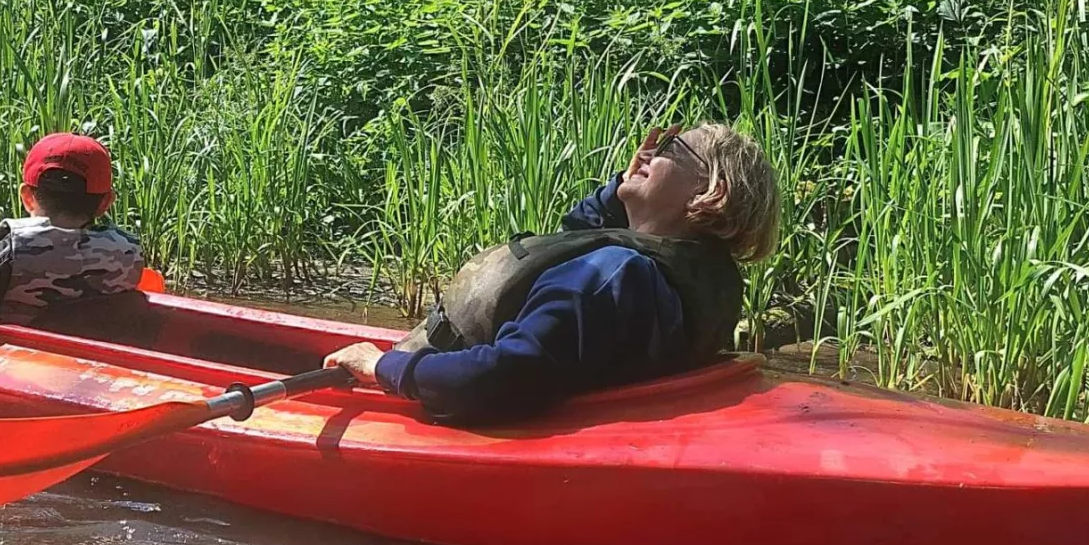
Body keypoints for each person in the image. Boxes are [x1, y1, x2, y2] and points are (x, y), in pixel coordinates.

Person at [324, 121, 780, 424]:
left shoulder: (609, 276)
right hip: (483, 383)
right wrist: (621, 192)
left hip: (453, 394)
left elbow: (503, 379)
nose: (646, 152)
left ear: (710, 191)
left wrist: (381, 365)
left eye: (669, 148)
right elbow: (577, 240)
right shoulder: (682, 274)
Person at [0, 132, 145, 328]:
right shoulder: (129, 251)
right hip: (87, 361)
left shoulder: (17, 244)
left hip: (20, 361)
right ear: (106, 202)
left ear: (27, 197)